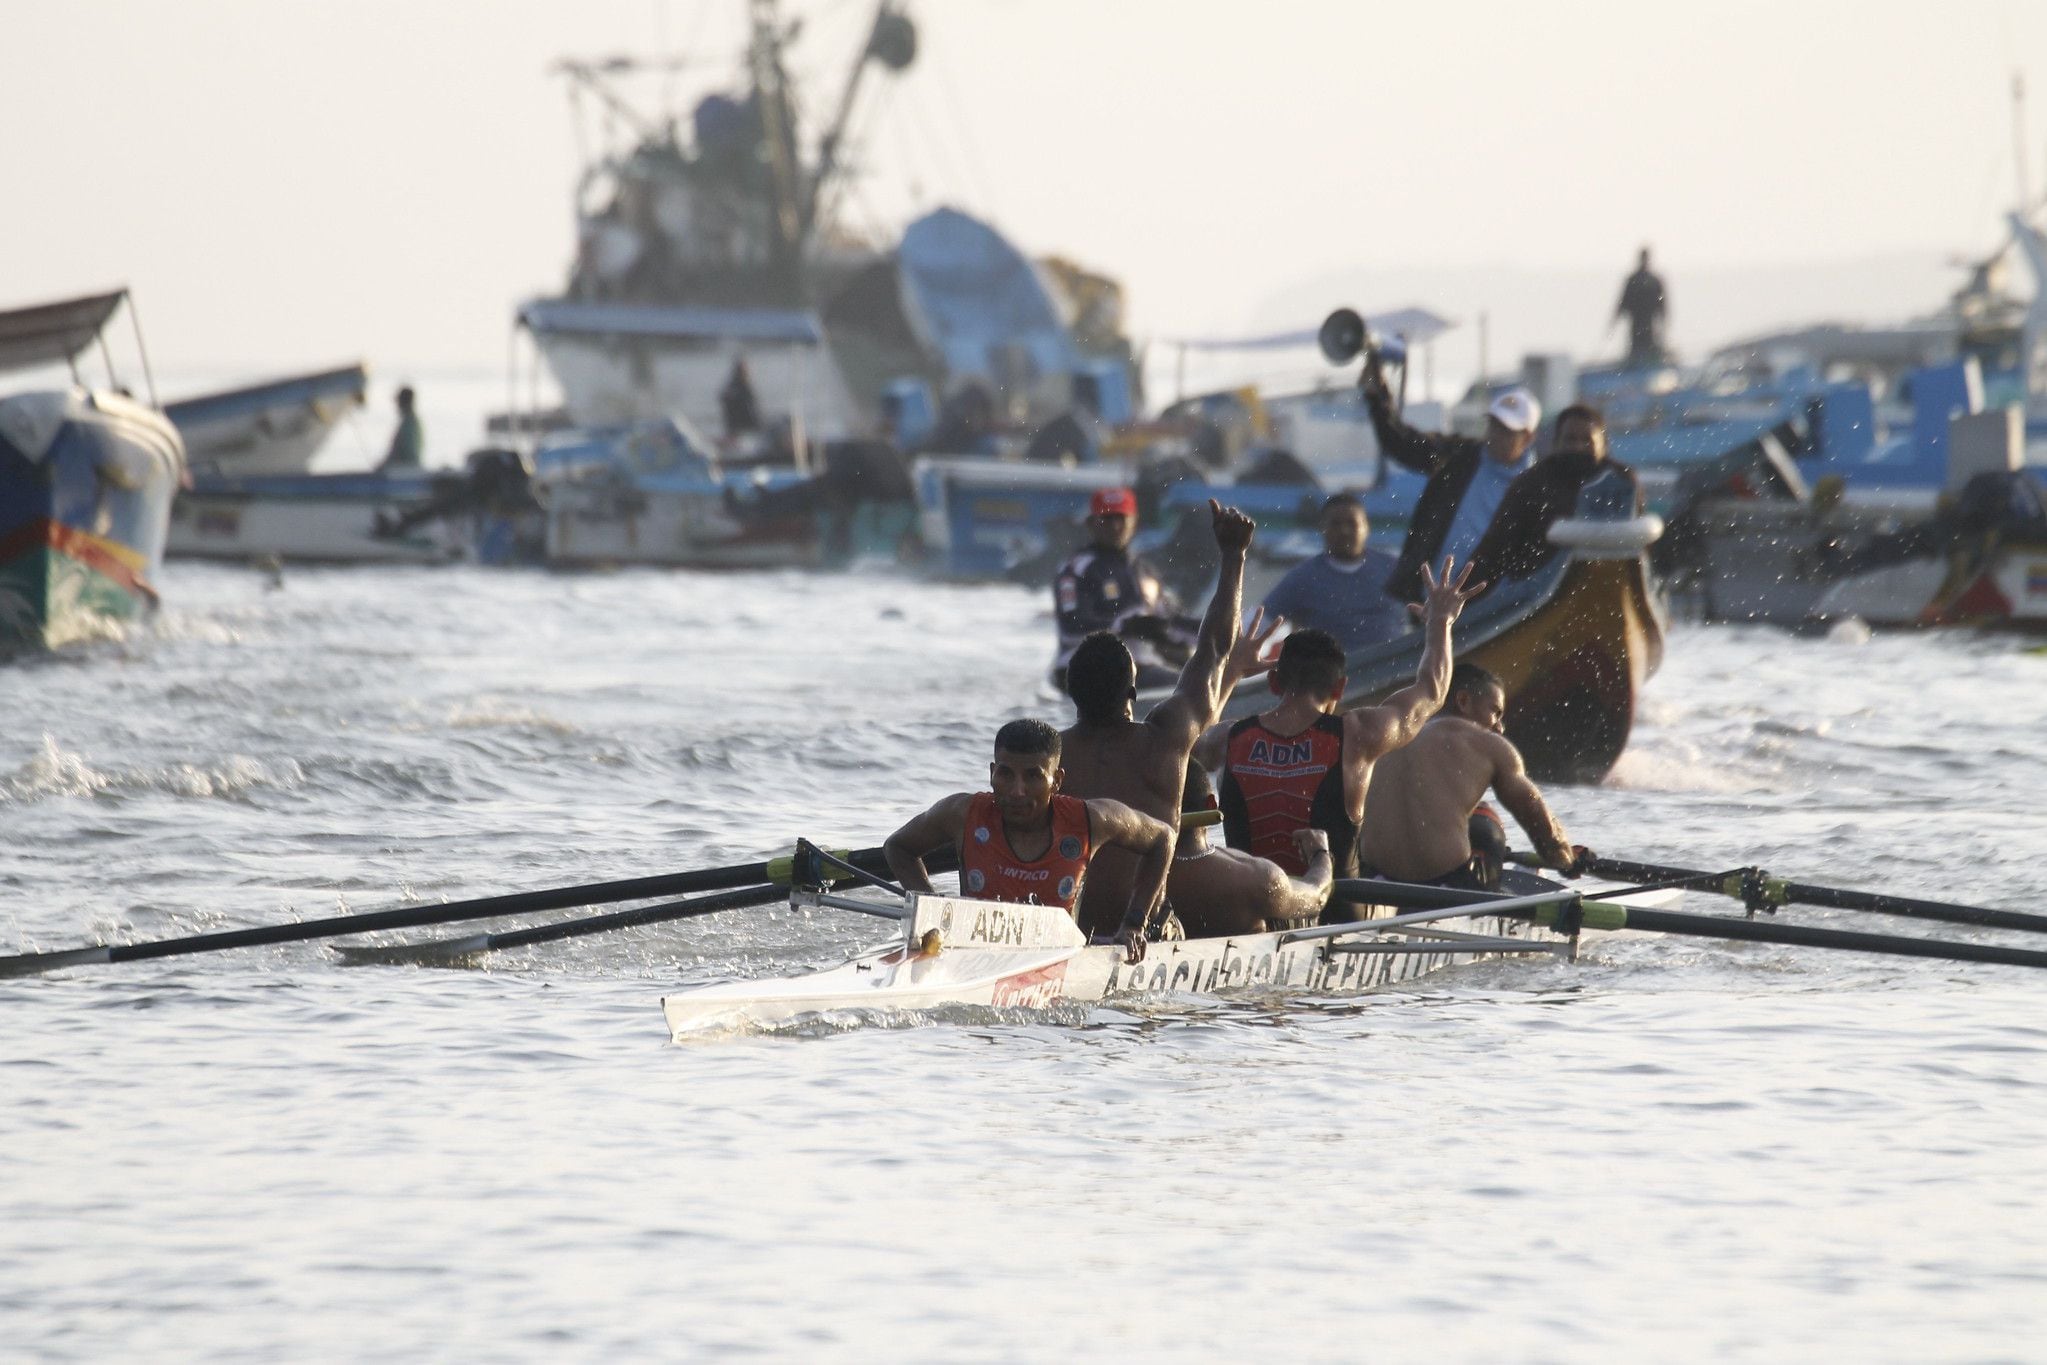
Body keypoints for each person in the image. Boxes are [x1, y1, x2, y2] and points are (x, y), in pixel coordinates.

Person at [1196, 557, 1483, 917]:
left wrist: (1233, 671)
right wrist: (1440, 622)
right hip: (1337, 913)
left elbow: (1189, 733)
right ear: (1341, 687)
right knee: (1385, 897)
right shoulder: (1360, 734)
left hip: (1250, 913)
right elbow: (1432, 691)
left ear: (1273, 683)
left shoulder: (1226, 739)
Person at [1057, 500, 1262, 951]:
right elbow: (1213, 650)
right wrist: (1234, 557)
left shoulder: (1046, 755)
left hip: (1062, 934)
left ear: (1071, 694)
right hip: (1144, 931)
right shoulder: (1163, 740)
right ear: (1133, 696)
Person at [883, 718, 1175, 963]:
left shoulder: (1091, 820)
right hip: (972, 958)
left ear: (1057, 781)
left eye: (1033, 777)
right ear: (991, 773)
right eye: (1005, 774)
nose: (1017, 791)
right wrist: (932, 910)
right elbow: (898, 847)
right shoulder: (961, 813)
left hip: (1058, 958)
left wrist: (1135, 923)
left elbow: (1164, 838)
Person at [1360, 663, 1589, 888]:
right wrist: (1568, 860)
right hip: (1444, 882)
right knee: (1484, 819)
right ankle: (1495, 873)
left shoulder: (1389, 734)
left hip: (1374, 881)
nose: (1500, 727)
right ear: (1463, 701)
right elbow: (1538, 819)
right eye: (1495, 712)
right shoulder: (1489, 745)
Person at [1359, 356, 1541, 604]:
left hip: (1493, 609)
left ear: (1528, 438)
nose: (1497, 435)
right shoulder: (1460, 457)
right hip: (1430, 600)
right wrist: (1377, 397)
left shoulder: (1537, 486)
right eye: (1495, 425)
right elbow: (1403, 443)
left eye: (1507, 430)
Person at [1466, 404, 1641, 589]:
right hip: (1539, 593)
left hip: (1612, 587)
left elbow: (1640, 545)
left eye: (1587, 440)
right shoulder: (1531, 484)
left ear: (1603, 445)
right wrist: (1462, 597)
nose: (1578, 447)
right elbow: (1493, 550)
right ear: (1556, 443)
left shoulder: (1623, 481)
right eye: (1570, 439)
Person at [1168, 759, 1334, 937]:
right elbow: (1317, 897)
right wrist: (1320, 855)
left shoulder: (1138, 873)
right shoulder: (1257, 878)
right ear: (1211, 805)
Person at [1052, 487, 1176, 686]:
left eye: (1121, 518)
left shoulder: (1145, 572)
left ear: (1134, 522)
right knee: (1185, 687)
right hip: (1084, 670)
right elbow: (1071, 628)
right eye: (1107, 519)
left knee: (1196, 675)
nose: (1115, 526)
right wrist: (1125, 626)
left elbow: (1170, 624)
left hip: (1139, 667)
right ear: (1091, 524)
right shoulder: (1076, 570)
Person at [1257, 493, 1409, 652]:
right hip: (1328, 673)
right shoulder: (1302, 578)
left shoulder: (1395, 570)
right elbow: (1256, 627)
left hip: (1393, 670)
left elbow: (1428, 617)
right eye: (1335, 524)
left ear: (1366, 527)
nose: (1344, 531)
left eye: (1352, 523)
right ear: (1322, 528)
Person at [1616, 247, 1669, 369]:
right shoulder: (1634, 280)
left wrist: (1664, 324)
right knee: (1637, 352)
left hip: (1649, 325)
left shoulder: (1653, 281)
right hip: (1636, 325)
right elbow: (1622, 303)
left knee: (1648, 352)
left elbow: (1663, 306)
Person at [377, 387, 423, 472]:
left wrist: (384, 467)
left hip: (405, 473)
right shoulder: (410, 421)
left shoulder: (409, 424)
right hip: (405, 471)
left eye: (398, 401)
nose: (397, 404)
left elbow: (404, 452)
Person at [719, 357, 761, 440]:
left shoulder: (733, 387)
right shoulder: (740, 388)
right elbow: (750, 412)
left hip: (739, 429)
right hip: (742, 430)